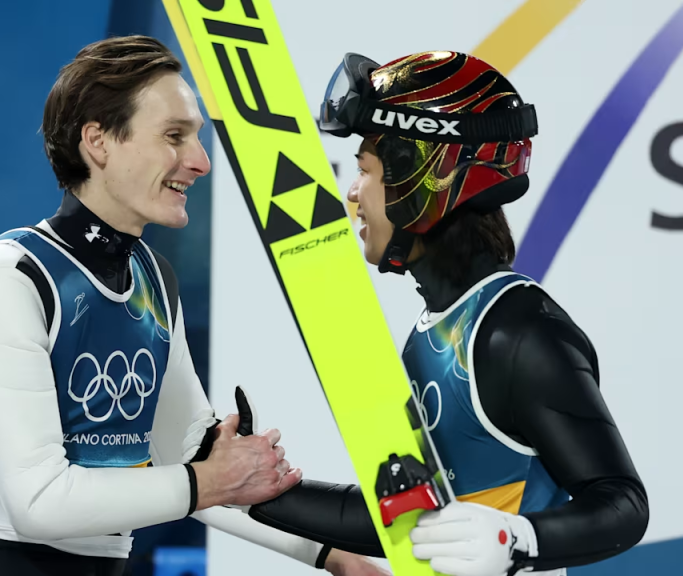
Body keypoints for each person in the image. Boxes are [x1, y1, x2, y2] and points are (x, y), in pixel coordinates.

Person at [0, 35, 382, 576]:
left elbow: (190, 462)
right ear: (98, 142)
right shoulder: (8, 278)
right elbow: (38, 503)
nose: (200, 161)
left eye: (197, 137)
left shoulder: (153, 280)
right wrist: (209, 478)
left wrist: (333, 555)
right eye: (173, 136)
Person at [245, 51, 650, 576]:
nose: (353, 193)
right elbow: (408, 521)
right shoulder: (435, 329)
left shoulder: (516, 333)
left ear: (422, 178)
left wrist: (516, 541)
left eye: (365, 170)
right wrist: (248, 489)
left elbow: (622, 504)